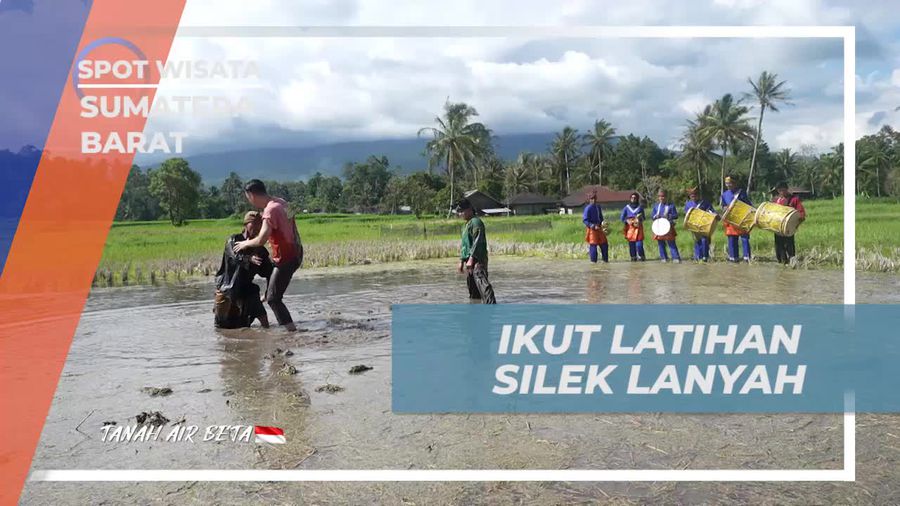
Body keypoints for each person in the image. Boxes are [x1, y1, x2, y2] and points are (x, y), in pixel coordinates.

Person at [234, 179, 304, 330]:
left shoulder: (269, 211)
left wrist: (245, 244)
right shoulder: (283, 203)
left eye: (248, 198)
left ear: (252, 195)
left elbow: (261, 239)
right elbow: (291, 225)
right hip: (297, 252)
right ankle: (269, 292)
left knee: (273, 299)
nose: (250, 201)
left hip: (286, 257)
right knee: (272, 286)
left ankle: (291, 332)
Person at [214, 212, 272, 329]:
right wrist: (249, 258)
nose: (257, 227)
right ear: (246, 224)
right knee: (222, 327)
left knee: (263, 321)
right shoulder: (233, 240)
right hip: (227, 287)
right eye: (254, 224)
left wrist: (268, 292)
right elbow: (235, 256)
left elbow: (269, 272)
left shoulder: (260, 250)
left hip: (246, 288)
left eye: (260, 224)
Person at [456, 198, 496, 304]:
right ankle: (475, 308)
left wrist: (472, 257)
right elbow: (465, 245)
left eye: (462, 211)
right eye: (459, 212)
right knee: (473, 289)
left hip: (478, 260)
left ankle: (492, 306)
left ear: (469, 210)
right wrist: (461, 261)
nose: (460, 214)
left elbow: (478, 241)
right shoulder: (466, 225)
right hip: (469, 262)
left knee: (483, 284)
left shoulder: (476, 222)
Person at [771, 181, 807, 264]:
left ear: (787, 189)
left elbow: (801, 214)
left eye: (783, 190)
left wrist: (796, 224)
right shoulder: (776, 200)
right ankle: (782, 262)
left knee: (789, 245)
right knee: (779, 246)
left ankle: (792, 261)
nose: (781, 192)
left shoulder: (794, 199)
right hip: (778, 228)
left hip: (789, 228)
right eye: (779, 190)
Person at [720, 176, 753, 262]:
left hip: (741, 219)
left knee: (744, 238)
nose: (728, 185)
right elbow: (723, 206)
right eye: (726, 183)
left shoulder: (741, 193)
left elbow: (748, 204)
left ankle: (747, 257)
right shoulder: (724, 195)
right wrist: (725, 208)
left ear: (735, 183)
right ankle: (733, 257)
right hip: (731, 219)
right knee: (732, 238)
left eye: (730, 183)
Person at [684, 187, 717, 262]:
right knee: (697, 241)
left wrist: (715, 214)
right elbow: (687, 215)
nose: (693, 196)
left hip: (704, 225)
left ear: (698, 195)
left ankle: (705, 257)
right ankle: (698, 257)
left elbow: (712, 211)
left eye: (695, 194)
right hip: (694, 225)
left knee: (705, 240)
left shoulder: (705, 203)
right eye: (692, 195)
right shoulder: (688, 204)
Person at [651, 189, 680, 263]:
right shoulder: (656, 206)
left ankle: (676, 258)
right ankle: (664, 258)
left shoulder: (671, 205)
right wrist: (655, 216)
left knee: (671, 243)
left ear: (666, 197)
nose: (661, 198)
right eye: (660, 196)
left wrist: (669, 216)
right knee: (661, 243)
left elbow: (676, 215)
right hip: (659, 227)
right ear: (658, 197)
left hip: (668, 227)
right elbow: (652, 216)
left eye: (663, 196)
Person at [582, 190, 609, 263]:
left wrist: (603, 224)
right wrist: (592, 226)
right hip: (592, 229)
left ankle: (605, 260)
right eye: (592, 199)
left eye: (594, 198)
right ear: (589, 199)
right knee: (593, 245)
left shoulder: (598, 207)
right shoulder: (588, 208)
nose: (593, 200)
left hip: (599, 228)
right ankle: (593, 262)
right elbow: (585, 220)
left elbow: (601, 217)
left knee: (604, 244)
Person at [620, 192, 646, 261]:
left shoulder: (640, 207)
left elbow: (644, 218)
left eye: (635, 198)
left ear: (637, 199)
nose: (633, 199)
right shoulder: (626, 208)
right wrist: (627, 220)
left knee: (639, 244)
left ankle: (642, 256)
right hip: (630, 228)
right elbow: (622, 218)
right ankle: (633, 257)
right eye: (632, 198)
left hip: (638, 227)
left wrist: (640, 219)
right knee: (632, 245)